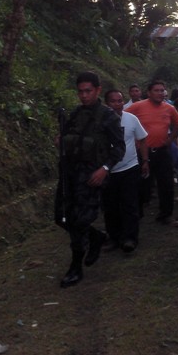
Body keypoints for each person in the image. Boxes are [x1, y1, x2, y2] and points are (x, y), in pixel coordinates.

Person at [55, 71, 125, 288]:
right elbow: (66, 138)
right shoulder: (75, 114)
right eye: (80, 92)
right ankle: (95, 237)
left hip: (91, 177)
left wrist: (104, 169)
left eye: (88, 91)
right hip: (70, 173)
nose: (83, 96)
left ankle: (75, 268)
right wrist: (61, 141)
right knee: (61, 217)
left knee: (78, 222)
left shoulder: (108, 116)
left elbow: (119, 148)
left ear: (97, 90)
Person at [126, 80, 178, 225]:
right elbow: (121, 117)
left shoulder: (169, 108)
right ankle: (136, 214)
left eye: (162, 90)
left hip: (162, 151)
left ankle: (166, 214)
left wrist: (171, 138)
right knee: (141, 185)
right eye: (156, 90)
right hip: (143, 153)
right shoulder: (138, 106)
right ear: (149, 92)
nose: (160, 93)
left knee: (166, 184)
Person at [103, 89, 149, 252]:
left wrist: (145, 161)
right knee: (111, 206)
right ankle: (114, 237)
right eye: (113, 101)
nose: (117, 104)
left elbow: (142, 140)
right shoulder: (100, 122)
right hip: (108, 171)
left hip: (130, 168)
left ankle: (130, 238)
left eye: (120, 101)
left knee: (130, 204)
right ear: (106, 103)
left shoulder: (131, 119)